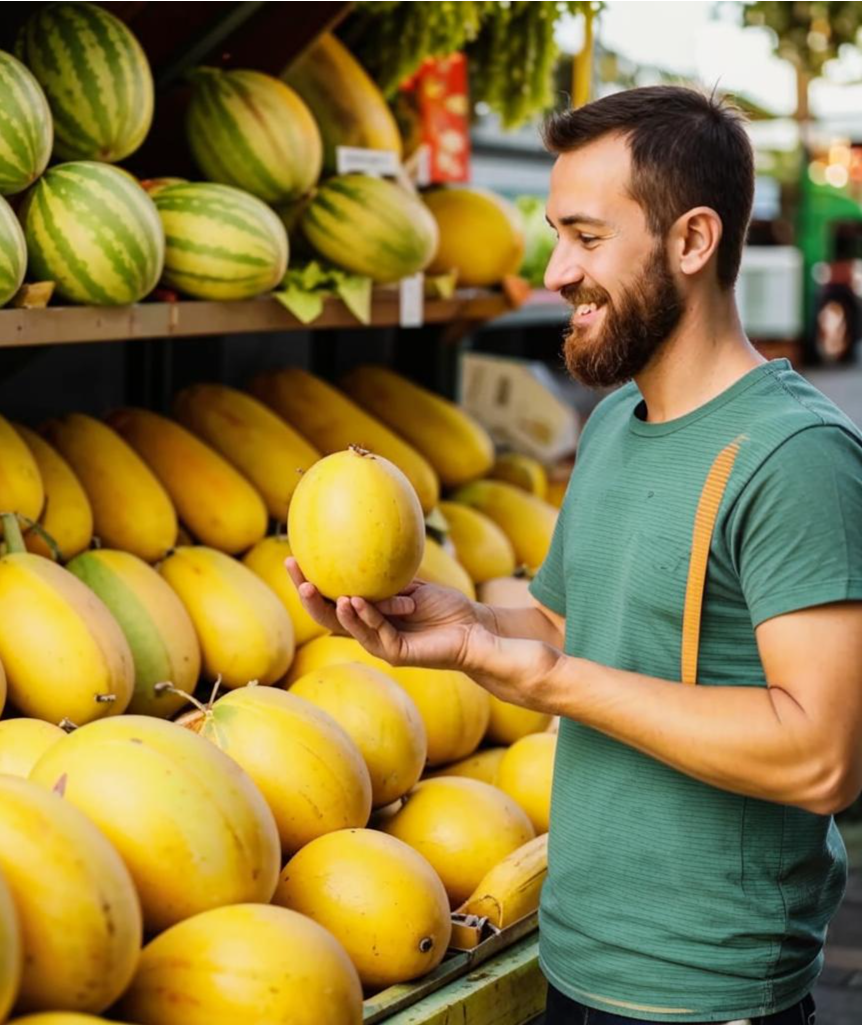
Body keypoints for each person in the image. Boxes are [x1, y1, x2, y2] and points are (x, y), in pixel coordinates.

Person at [288, 86, 862, 1026]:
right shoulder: (614, 425)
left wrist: (551, 680)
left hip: (706, 993)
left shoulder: (793, 459)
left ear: (692, 242)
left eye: (587, 239)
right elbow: (568, 625)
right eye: (555, 234)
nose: (555, 272)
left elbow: (820, 757)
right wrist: (470, 631)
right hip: (577, 956)